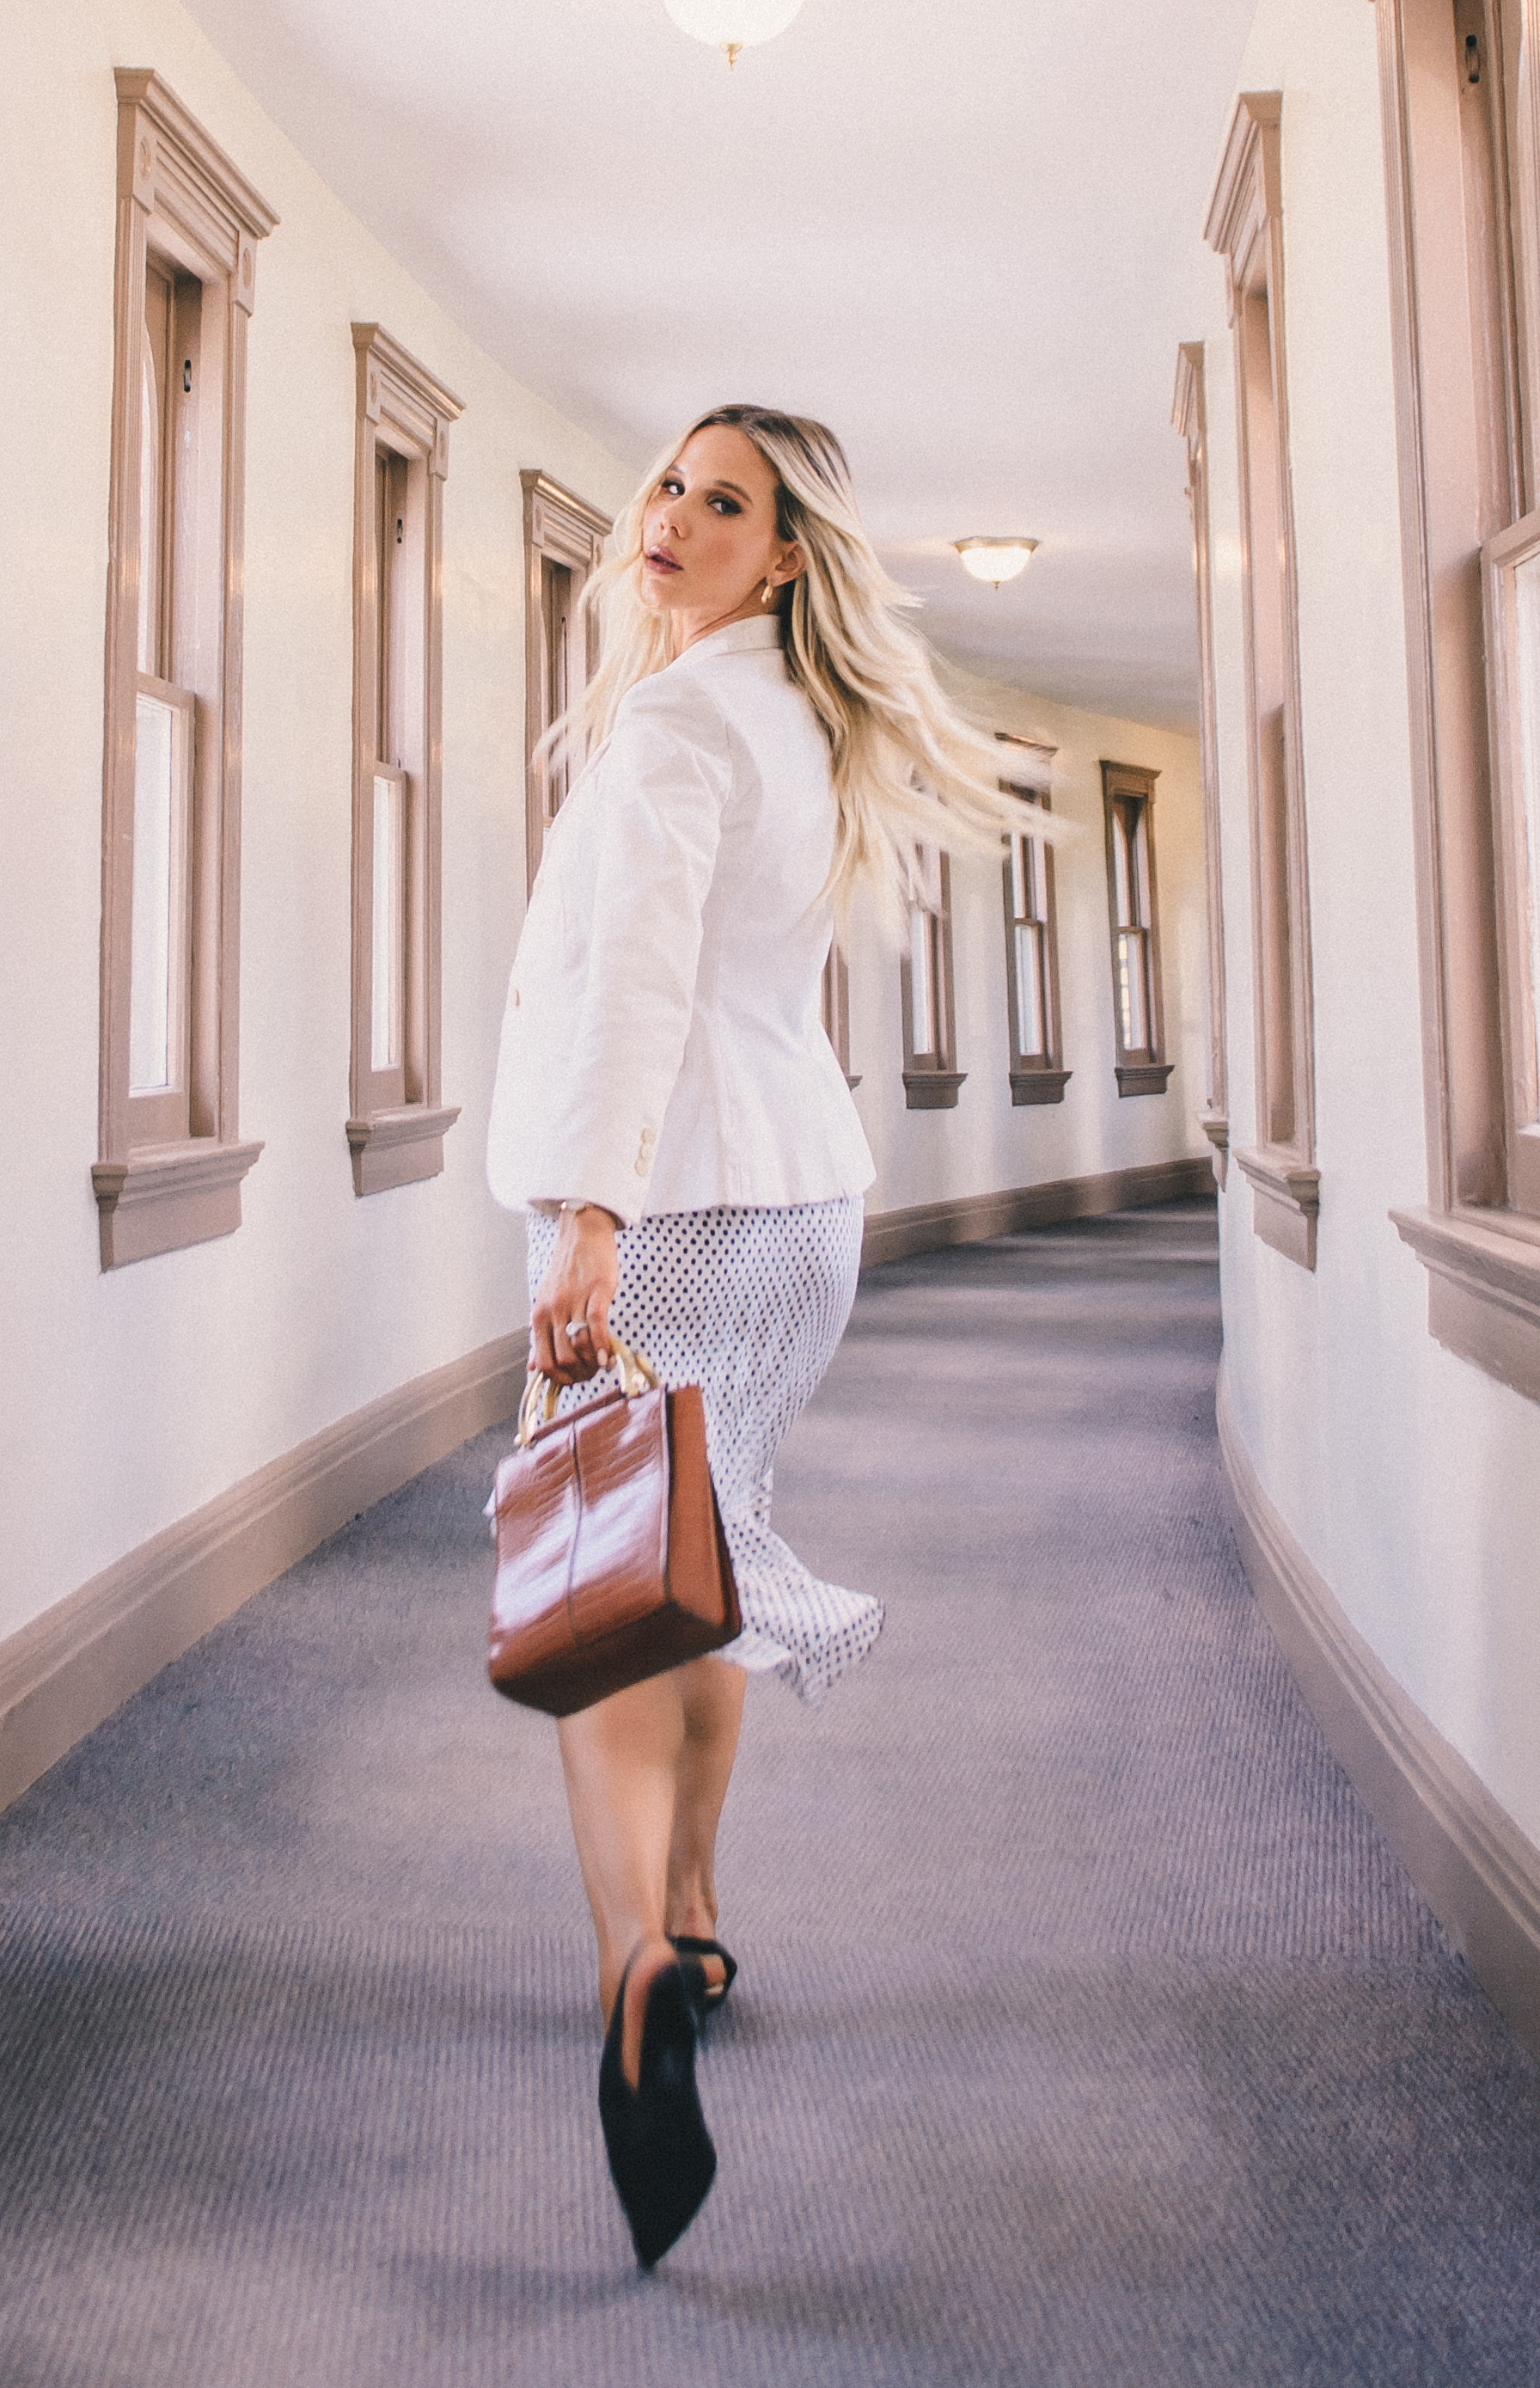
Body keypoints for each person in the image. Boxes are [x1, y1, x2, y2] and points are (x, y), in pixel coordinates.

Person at [487, 405, 1020, 2268]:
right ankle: (698, 1915)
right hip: (800, 1204)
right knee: (689, 1566)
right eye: (670, 486)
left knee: (597, 1603)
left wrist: (588, 1220)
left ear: (785, 558)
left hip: (681, 1201)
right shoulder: (794, 721)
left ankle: (634, 1961)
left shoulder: (676, 723)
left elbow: (634, 985)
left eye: (727, 506)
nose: (676, 518)